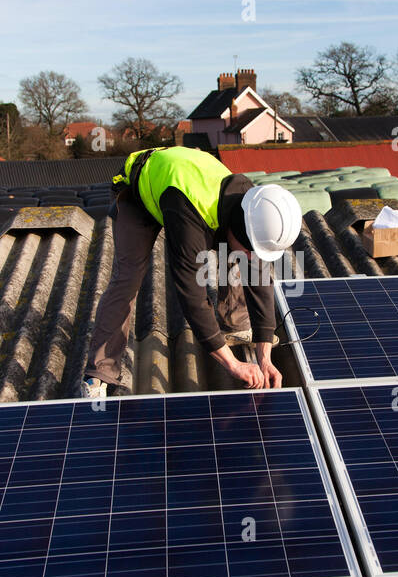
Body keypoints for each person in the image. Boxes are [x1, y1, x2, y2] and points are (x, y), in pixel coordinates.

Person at [82, 145, 302, 399]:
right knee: (128, 278)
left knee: (240, 256)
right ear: (240, 228)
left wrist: (265, 356)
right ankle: (99, 372)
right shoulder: (189, 216)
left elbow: (258, 276)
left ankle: (233, 322)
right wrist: (232, 364)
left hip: (186, 183)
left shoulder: (254, 208)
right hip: (139, 190)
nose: (254, 258)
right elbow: (192, 295)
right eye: (253, 249)